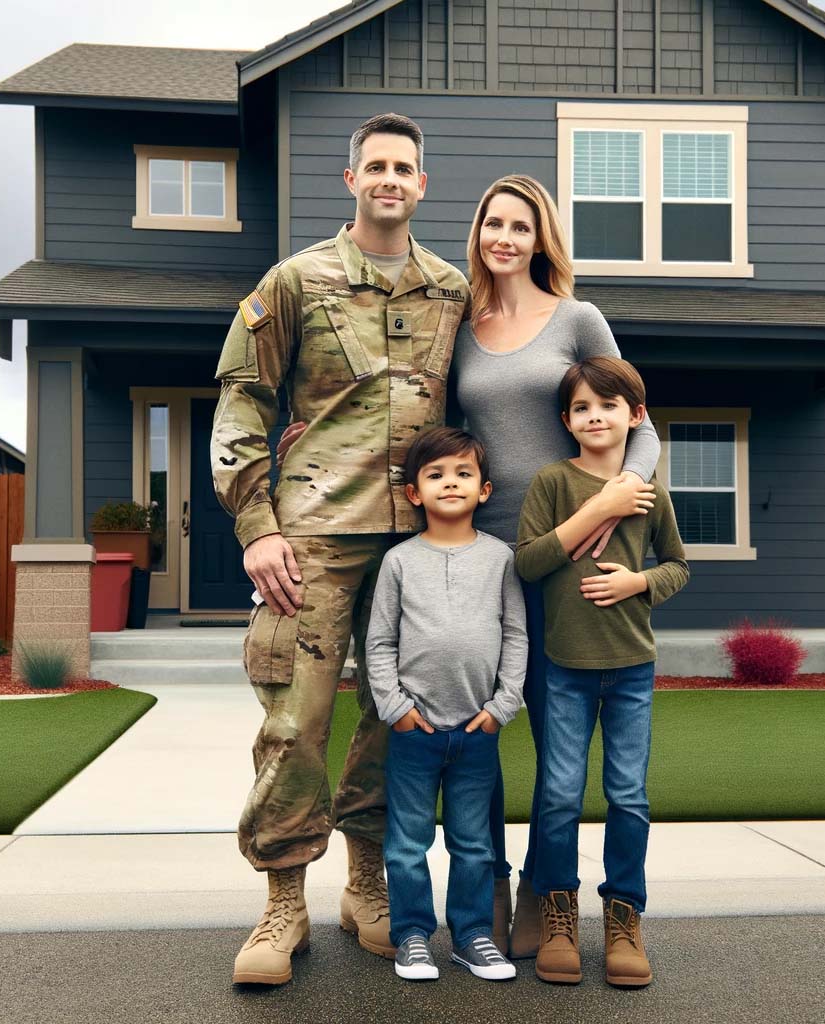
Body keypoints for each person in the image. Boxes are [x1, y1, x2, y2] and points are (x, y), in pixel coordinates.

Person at [276, 173, 661, 955]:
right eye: (493, 224)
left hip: (570, 555)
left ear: (541, 237)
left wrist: (613, 500)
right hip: (483, 560)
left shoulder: (579, 318)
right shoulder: (463, 324)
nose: (505, 238)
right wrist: (306, 434)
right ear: (479, 233)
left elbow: (639, 423)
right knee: (471, 729)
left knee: (559, 752)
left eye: (522, 226)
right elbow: (427, 422)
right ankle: (485, 886)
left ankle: (547, 896)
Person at [211, 112, 469, 986]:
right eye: (376, 166)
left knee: (398, 722)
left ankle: (368, 886)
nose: (390, 179)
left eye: (405, 166)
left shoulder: (452, 288)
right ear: (350, 179)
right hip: (312, 541)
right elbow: (243, 401)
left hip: (421, 543)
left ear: (422, 184)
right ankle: (284, 903)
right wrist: (257, 528)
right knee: (295, 724)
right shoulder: (295, 280)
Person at [515, 356, 689, 988]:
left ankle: (624, 916)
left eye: (609, 406)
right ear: (567, 421)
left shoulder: (650, 492)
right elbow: (528, 562)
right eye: (582, 408)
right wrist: (586, 520)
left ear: (634, 416)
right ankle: (559, 914)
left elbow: (677, 565)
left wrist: (638, 581)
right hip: (565, 667)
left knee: (628, 796)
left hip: (632, 670)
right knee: (559, 794)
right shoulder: (552, 483)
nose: (595, 416)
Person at [366, 426, 527, 982]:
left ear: (484, 490)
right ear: (415, 493)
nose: (450, 483)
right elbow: (380, 642)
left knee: (473, 843)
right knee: (408, 842)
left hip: (478, 729)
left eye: (463, 473)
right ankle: (412, 936)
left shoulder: (501, 558)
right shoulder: (400, 562)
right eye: (436, 474)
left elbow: (516, 636)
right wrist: (397, 709)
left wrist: (502, 707)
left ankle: (473, 936)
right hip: (414, 731)